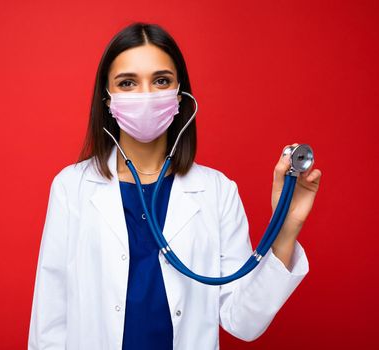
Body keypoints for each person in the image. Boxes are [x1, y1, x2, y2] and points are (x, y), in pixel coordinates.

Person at [27, 22, 322, 350]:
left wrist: (287, 228)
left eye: (161, 81)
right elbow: (49, 320)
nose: (146, 96)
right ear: (107, 99)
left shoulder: (217, 191)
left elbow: (243, 322)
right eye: (128, 83)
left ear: (180, 96)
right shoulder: (73, 187)